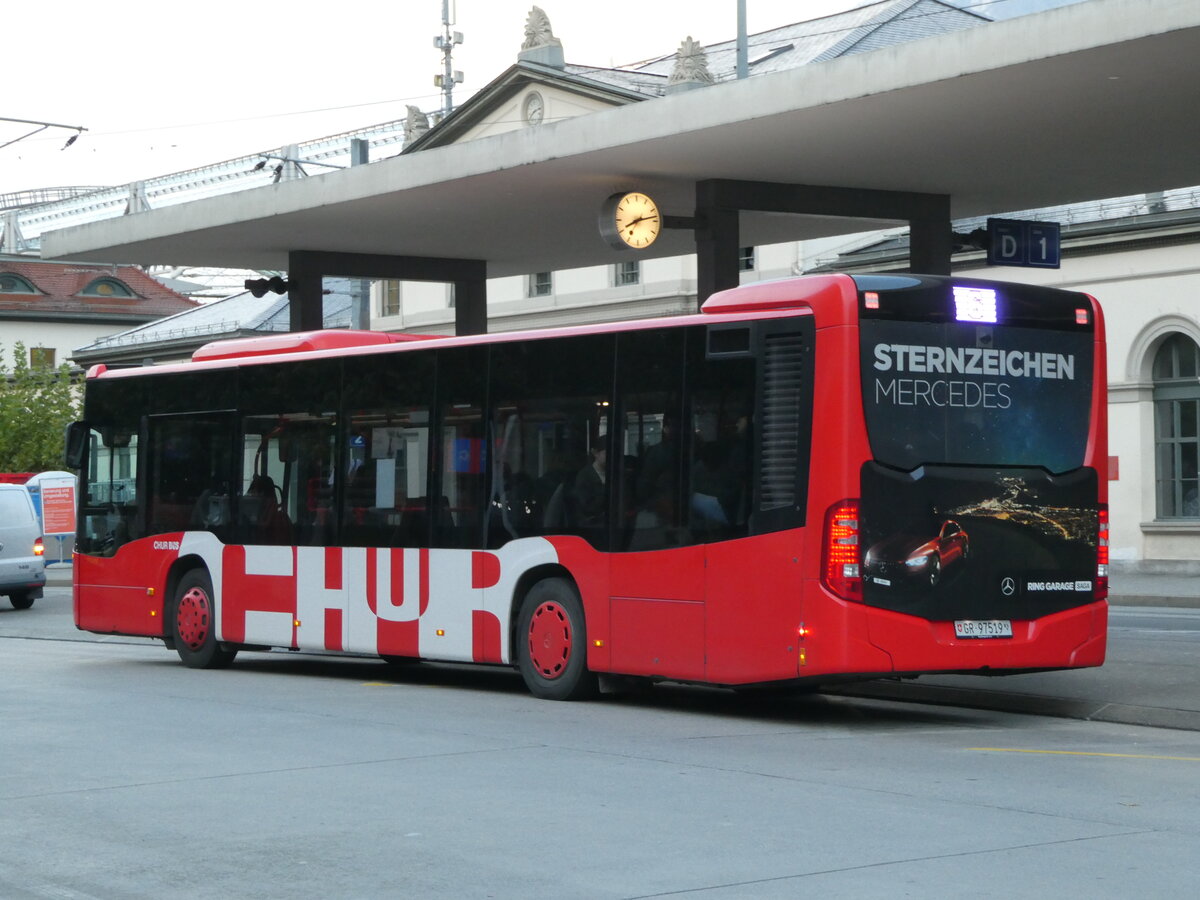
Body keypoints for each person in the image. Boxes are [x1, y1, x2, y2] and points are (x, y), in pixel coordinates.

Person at [573, 445, 607, 528]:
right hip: (591, 525)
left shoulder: (615, 474)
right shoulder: (584, 476)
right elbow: (586, 505)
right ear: (596, 453)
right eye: (606, 453)